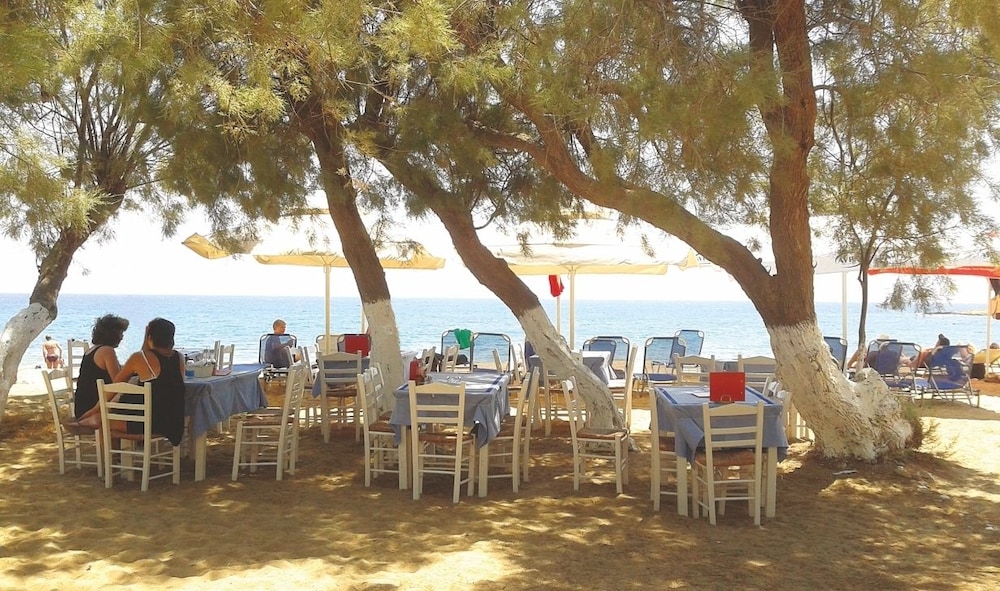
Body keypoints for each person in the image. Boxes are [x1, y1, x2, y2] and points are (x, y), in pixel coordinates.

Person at [110, 318, 186, 446]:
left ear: (150, 337)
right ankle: (134, 438)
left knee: (101, 420)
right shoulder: (180, 358)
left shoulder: (139, 358)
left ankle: (112, 456)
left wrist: (94, 410)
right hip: (173, 425)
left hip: (150, 424)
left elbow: (115, 385)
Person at [73, 315, 129, 419]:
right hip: (93, 410)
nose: (122, 337)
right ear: (113, 334)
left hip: (82, 407)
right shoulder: (107, 351)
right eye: (121, 333)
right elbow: (118, 382)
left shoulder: (92, 350)